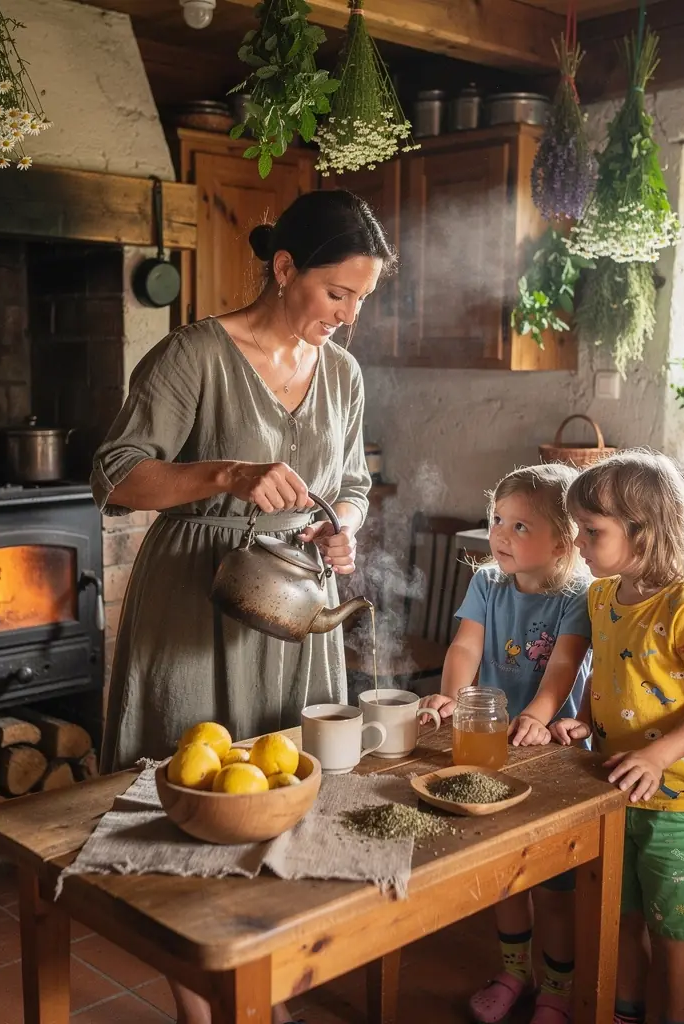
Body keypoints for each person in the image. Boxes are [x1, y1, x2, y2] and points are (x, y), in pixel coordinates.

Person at [91, 189, 394, 1024]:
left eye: (362, 300)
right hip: (198, 599)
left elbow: (356, 486)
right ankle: (202, 1004)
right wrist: (227, 473)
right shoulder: (193, 355)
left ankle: (258, 977)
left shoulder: (344, 373)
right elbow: (116, 476)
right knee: (184, 798)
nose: (349, 316)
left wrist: (344, 533)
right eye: (338, 293)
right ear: (286, 267)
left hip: (298, 599)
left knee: (289, 788)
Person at [552, 450, 684, 1024]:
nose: (578, 540)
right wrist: (583, 717)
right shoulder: (601, 598)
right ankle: (623, 1011)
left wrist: (655, 755)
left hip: (680, 800)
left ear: (643, 531)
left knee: (674, 931)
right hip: (613, 787)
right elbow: (608, 674)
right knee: (620, 916)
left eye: (592, 530)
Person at [420, 463, 592, 1024]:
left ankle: (557, 992)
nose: (499, 534)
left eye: (521, 526)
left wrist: (540, 718)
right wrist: (452, 696)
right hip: (493, 748)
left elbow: (562, 668)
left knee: (552, 886)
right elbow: (465, 649)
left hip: (552, 756)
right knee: (505, 872)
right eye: (498, 519)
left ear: (564, 541)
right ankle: (515, 971)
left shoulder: (576, 596)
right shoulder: (486, 583)